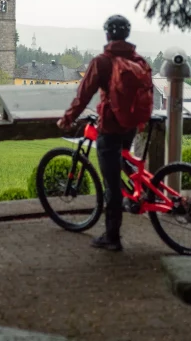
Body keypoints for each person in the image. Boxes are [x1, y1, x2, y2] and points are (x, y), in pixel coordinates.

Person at [57, 14, 153, 252]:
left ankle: (112, 237)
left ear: (108, 34)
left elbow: (83, 95)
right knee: (122, 160)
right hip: (130, 125)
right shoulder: (138, 60)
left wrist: (67, 118)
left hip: (110, 127)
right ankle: (140, 194)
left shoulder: (103, 62)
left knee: (111, 184)